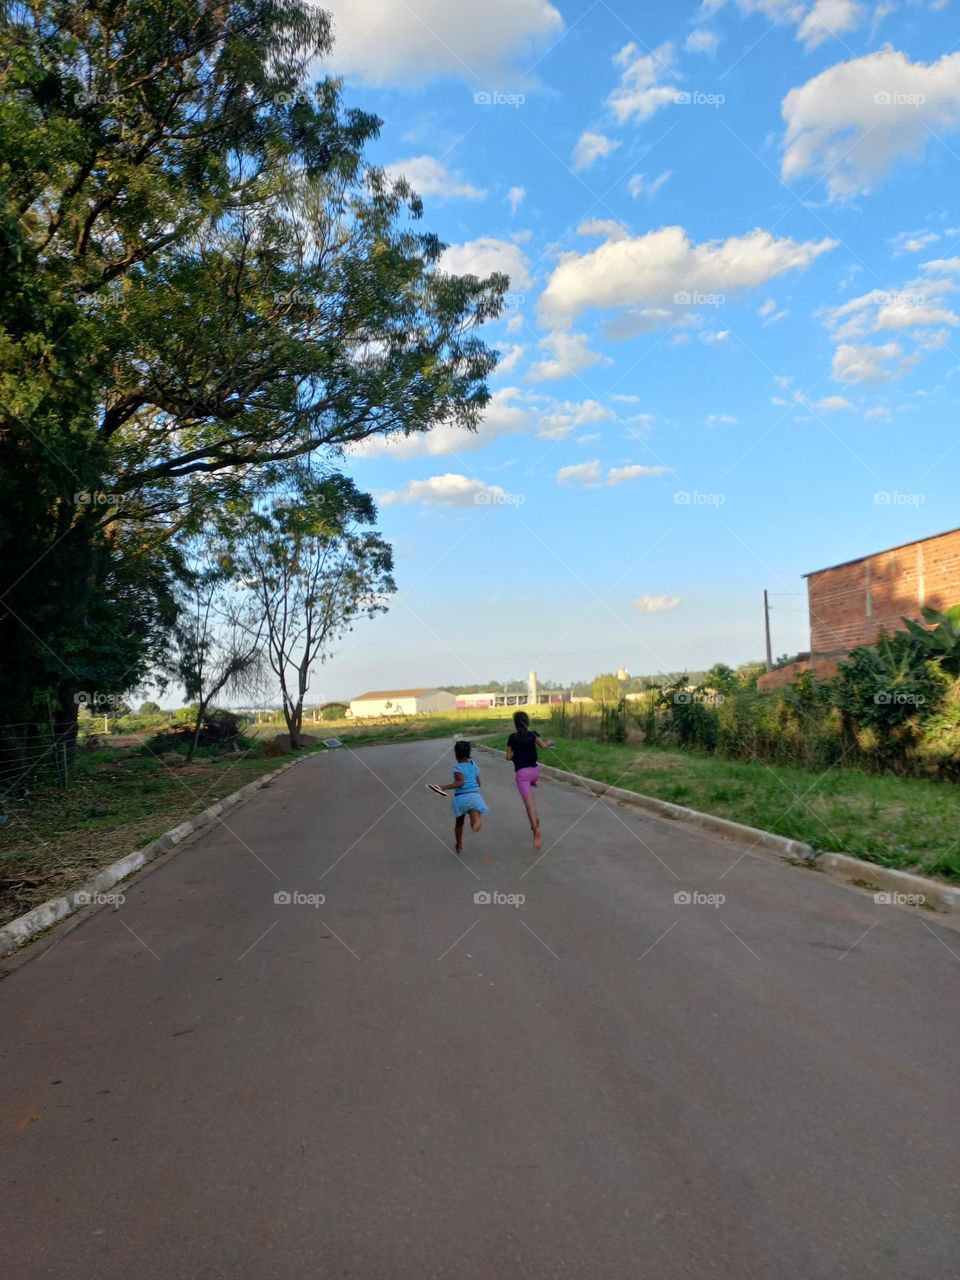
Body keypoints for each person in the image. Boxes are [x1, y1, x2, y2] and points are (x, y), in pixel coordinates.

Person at [428, 740, 488, 854]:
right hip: (475, 797)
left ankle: (459, 844)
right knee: (474, 812)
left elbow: (460, 782)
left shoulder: (457, 768)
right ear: (469, 753)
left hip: (461, 798)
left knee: (459, 823)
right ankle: (476, 821)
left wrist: (443, 787)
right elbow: (479, 783)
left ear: (456, 754)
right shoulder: (473, 765)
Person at [506, 711, 554, 851]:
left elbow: (508, 757)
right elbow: (544, 747)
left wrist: (515, 754)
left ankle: (535, 830)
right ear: (527, 722)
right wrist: (550, 742)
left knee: (529, 805)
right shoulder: (533, 734)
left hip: (522, 774)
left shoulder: (512, 738)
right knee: (530, 797)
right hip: (534, 772)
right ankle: (535, 818)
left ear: (515, 724)